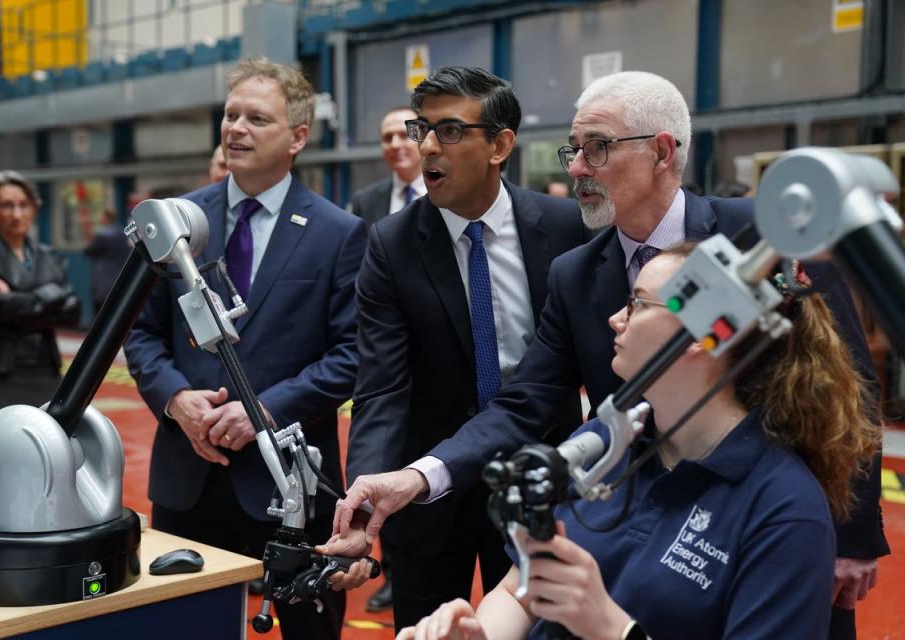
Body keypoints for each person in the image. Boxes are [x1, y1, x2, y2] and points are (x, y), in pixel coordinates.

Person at [332, 71, 888, 639]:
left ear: (662, 152)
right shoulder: (576, 271)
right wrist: (417, 478)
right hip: (636, 505)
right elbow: (525, 402)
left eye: (595, 148)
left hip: (758, 522)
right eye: (574, 150)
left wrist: (852, 537)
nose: (574, 167)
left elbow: (847, 384)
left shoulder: (757, 240)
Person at [395, 245, 882, 640]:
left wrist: (611, 628)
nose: (615, 319)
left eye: (638, 303)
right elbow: (521, 588)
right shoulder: (606, 441)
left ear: (700, 336)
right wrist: (477, 634)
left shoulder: (783, 509)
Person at [124, 57, 368, 640]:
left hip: (290, 480)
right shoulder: (175, 222)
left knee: (310, 629)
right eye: (231, 114)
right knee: (184, 625)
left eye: (256, 118)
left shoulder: (338, 233)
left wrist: (266, 408)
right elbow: (139, 333)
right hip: (190, 473)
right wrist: (176, 400)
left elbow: (351, 354)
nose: (236, 128)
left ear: (298, 138)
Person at [338, 66, 588, 632]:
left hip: (540, 474)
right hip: (426, 489)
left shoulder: (565, 226)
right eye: (420, 128)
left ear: (500, 145)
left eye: (448, 131)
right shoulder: (391, 243)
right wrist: (367, 496)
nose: (425, 145)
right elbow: (380, 386)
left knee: (545, 626)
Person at [347, 105, 427, 613]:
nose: (396, 143)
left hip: (438, 363)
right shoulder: (368, 203)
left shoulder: (447, 198)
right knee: (387, 469)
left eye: (405, 133)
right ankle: (395, 571)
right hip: (388, 359)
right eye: (386, 136)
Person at [0, 170, 80, 470]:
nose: (16, 214)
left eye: (23, 204)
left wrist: (17, 298)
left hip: (43, 369)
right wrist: (49, 296)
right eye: (7, 205)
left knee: (49, 459)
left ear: (35, 207)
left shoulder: (49, 255)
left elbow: (72, 310)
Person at [350, 106, 425, 226]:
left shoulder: (446, 196)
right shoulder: (365, 202)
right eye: (388, 138)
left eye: (404, 135)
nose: (394, 145)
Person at [82, 208, 130, 316]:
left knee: (101, 314)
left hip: (104, 282)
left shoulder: (103, 236)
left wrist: (89, 242)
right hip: (119, 277)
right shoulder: (123, 233)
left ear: (105, 218)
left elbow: (88, 251)